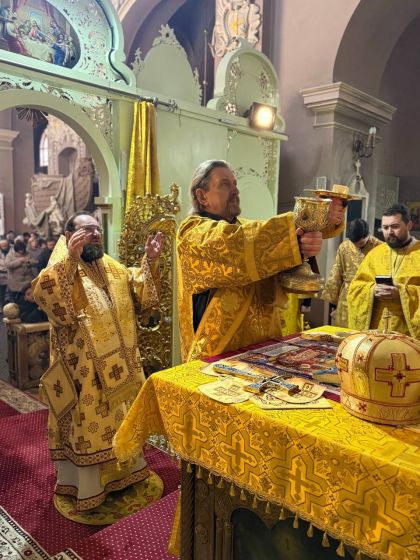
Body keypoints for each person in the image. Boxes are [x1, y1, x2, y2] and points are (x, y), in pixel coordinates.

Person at [33, 211, 164, 511]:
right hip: (84, 371)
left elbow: (138, 289)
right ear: (69, 237)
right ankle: (89, 487)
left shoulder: (112, 267)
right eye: (86, 230)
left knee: (121, 421)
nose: (94, 234)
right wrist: (70, 261)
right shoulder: (59, 270)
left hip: (120, 365)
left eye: (97, 230)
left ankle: (126, 474)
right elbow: (48, 298)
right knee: (89, 428)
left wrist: (150, 260)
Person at [176, 160, 322, 361]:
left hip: (265, 351)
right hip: (218, 357)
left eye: (235, 184)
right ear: (202, 196)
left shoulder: (246, 228)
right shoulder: (191, 232)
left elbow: (273, 268)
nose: (235, 191)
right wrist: (295, 231)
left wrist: (304, 245)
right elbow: (234, 246)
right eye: (225, 184)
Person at [348, 203, 420, 338]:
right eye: (385, 227)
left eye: (395, 226)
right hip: (377, 331)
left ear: (409, 225)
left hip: (408, 335)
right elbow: (355, 288)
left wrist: (401, 293)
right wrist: (372, 290)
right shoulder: (375, 254)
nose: (389, 232)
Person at [321, 218, 382, 327]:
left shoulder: (379, 247)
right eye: (354, 243)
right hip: (346, 296)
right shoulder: (344, 246)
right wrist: (333, 305)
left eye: (361, 243)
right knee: (344, 330)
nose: (357, 246)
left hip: (368, 296)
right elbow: (336, 273)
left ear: (367, 235)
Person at [5, 238, 35, 302]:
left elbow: (35, 262)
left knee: (29, 298)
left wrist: (28, 261)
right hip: (15, 281)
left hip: (28, 281)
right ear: (16, 250)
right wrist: (19, 261)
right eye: (20, 250)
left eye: (22, 250)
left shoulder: (28, 253)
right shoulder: (10, 255)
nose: (21, 252)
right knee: (17, 300)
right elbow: (8, 265)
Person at [0, 237, 10, 312]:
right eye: (2, 245)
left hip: (11, 274)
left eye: (5, 245)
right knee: (1, 293)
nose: (4, 247)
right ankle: (1, 306)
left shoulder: (11, 251)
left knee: (10, 292)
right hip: (1, 275)